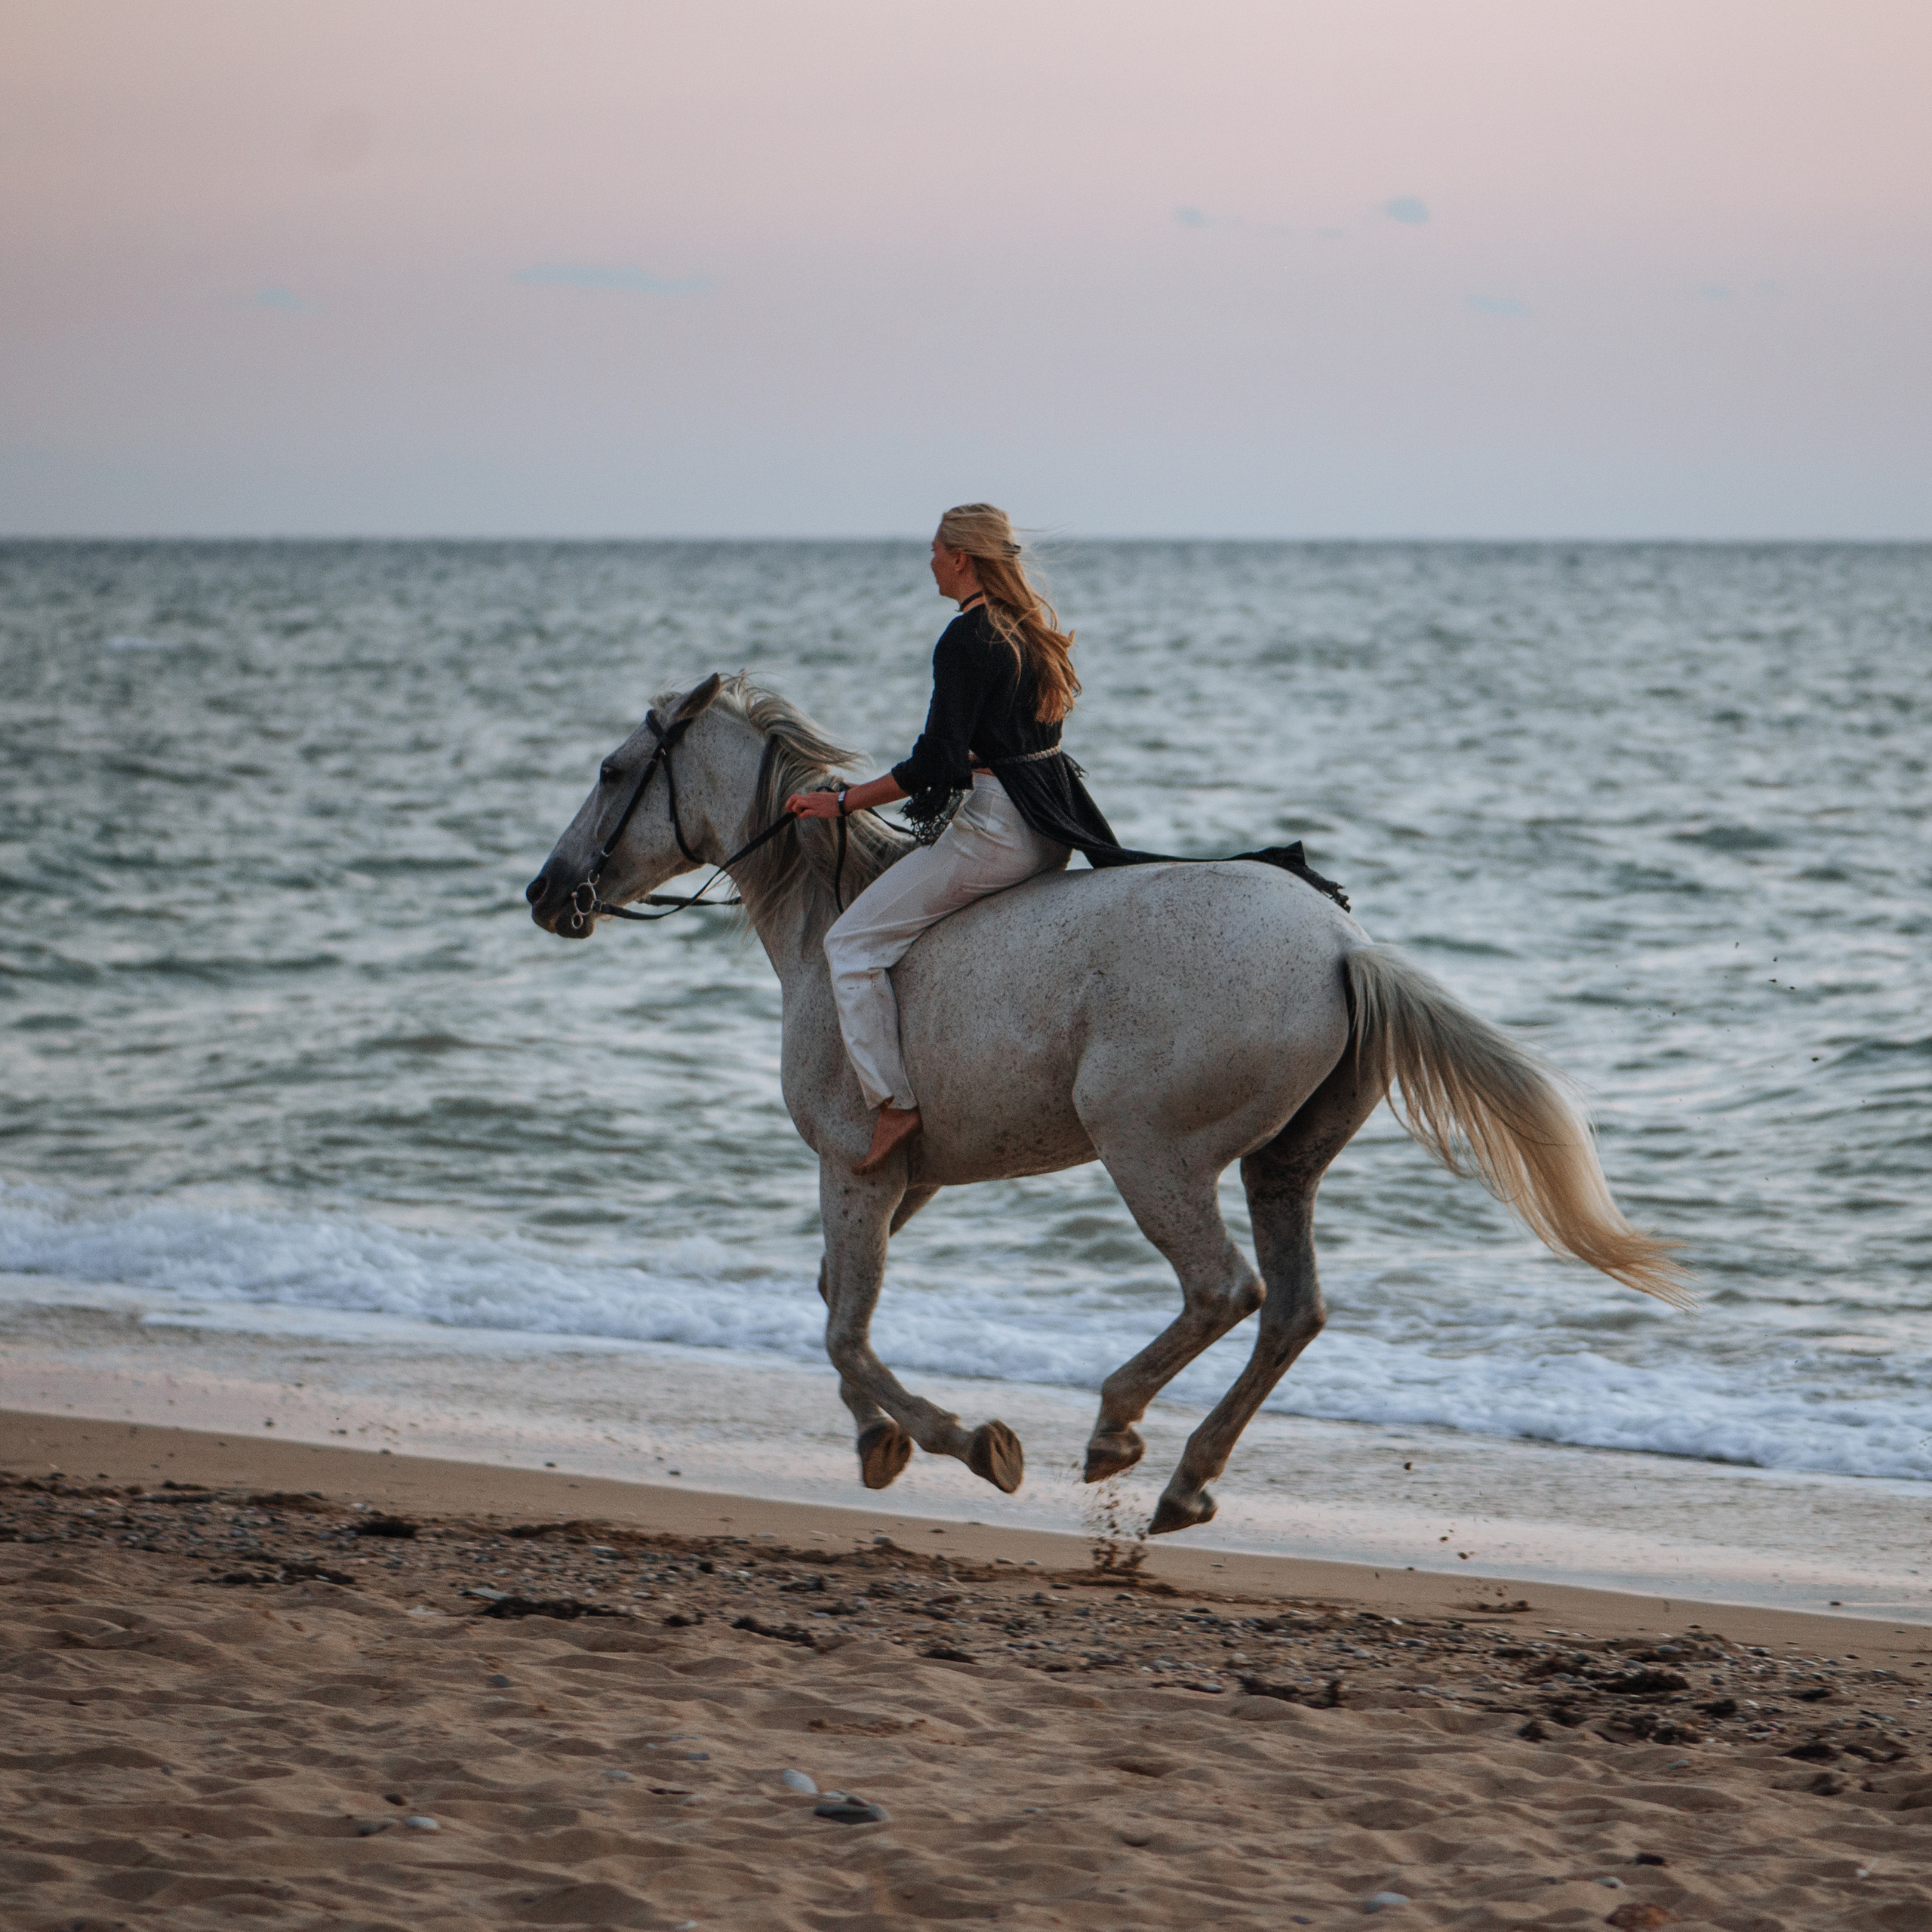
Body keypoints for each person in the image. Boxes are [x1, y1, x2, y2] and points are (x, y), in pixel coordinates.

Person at [785, 503, 1118, 1176]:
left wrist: (842, 802)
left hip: (999, 831)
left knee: (850, 945)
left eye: (936, 548)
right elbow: (1007, 744)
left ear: (962, 557)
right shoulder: (1026, 631)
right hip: (1050, 829)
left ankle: (894, 1102)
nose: (930, 559)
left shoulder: (965, 638)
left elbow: (933, 763)